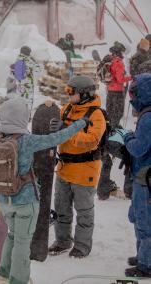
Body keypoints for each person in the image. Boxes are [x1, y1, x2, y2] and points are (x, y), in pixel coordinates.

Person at [0, 97, 87, 284]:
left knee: (12, 235)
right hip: (25, 201)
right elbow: (57, 138)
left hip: (4, 200)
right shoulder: (27, 141)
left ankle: (3, 275)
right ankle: (19, 280)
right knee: (22, 242)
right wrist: (81, 123)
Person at [49, 75, 106, 258]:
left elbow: (91, 141)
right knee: (61, 208)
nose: (68, 95)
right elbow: (54, 128)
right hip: (64, 169)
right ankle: (63, 241)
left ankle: (81, 246)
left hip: (85, 170)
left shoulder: (96, 115)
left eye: (71, 92)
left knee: (84, 211)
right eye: (67, 90)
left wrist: (65, 132)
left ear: (84, 94)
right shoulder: (66, 110)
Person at [122, 74, 151, 278]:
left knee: (145, 222)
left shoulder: (148, 117)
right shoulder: (146, 114)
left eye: (134, 92)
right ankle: (143, 255)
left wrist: (128, 137)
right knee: (139, 217)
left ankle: (146, 265)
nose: (131, 96)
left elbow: (139, 148)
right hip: (143, 175)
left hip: (146, 177)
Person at [98, 42, 132, 199]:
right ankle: (113, 140)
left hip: (110, 93)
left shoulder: (109, 60)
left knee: (111, 117)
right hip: (117, 93)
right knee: (115, 118)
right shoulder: (117, 63)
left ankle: (109, 136)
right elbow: (120, 78)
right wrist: (132, 77)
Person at [10, 46, 40, 112]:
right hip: (28, 84)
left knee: (19, 98)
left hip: (19, 83)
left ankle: (19, 113)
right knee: (28, 100)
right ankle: (26, 115)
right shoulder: (28, 60)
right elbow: (38, 70)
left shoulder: (18, 58)